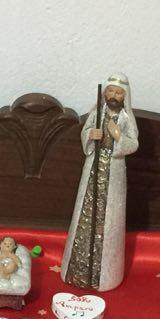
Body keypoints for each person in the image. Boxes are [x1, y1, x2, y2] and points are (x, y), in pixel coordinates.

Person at [61, 73, 139, 291]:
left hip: (113, 173)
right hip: (93, 169)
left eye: (118, 92)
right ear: (105, 92)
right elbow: (85, 133)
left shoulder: (126, 118)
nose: (113, 95)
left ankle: (104, 275)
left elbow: (133, 143)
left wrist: (118, 136)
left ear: (125, 96)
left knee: (109, 219)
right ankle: (76, 269)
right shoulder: (97, 113)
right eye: (110, 91)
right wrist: (90, 135)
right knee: (85, 214)